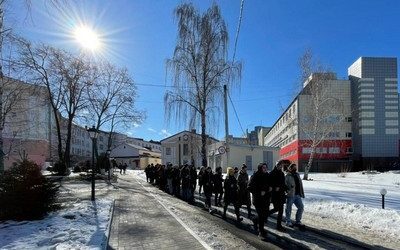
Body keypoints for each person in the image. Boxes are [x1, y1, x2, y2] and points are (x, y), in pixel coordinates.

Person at [248, 163, 270, 239]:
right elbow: (249, 187)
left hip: (266, 199)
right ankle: (261, 232)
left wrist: (269, 189)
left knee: (265, 215)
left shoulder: (267, 175)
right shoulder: (255, 176)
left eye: (266, 167)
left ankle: (254, 219)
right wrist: (259, 192)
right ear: (260, 168)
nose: (265, 169)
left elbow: (269, 185)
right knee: (261, 216)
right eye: (263, 167)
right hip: (258, 199)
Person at [269, 160, 291, 231]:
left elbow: (283, 184)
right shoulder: (272, 173)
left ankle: (279, 226)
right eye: (279, 165)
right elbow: (269, 184)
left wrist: (286, 189)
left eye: (281, 166)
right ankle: (259, 218)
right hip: (275, 195)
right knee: (276, 209)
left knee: (281, 211)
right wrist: (275, 187)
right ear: (276, 165)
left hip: (281, 194)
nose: (281, 167)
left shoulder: (281, 173)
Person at [285, 163, 305, 228]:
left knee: (301, 207)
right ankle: (288, 221)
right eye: (293, 167)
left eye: (295, 167)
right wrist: (287, 190)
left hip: (297, 195)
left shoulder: (297, 175)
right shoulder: (287, 176)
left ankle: (298, 221)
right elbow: (284, 185)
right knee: (288, 208)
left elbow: (300, 184)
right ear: (290, 168)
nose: (295, 168)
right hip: (290, 195)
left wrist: (301, 192)